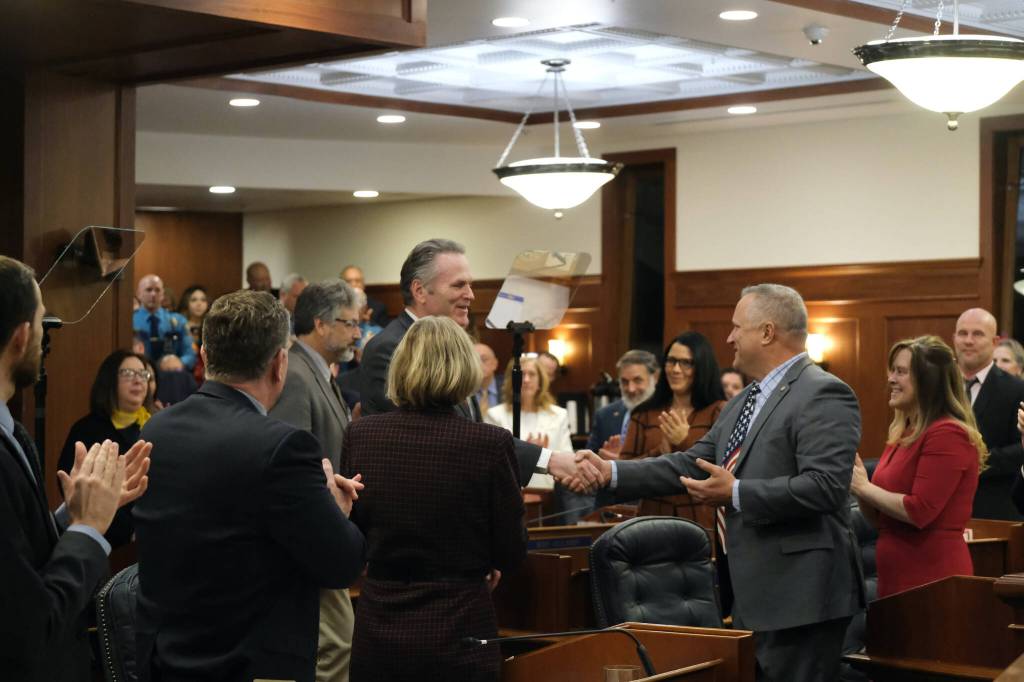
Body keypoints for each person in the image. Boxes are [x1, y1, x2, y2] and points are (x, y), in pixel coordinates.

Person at [578, 283, 865, 682]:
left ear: (767, 332)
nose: (729, 338)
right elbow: (691, 463)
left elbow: (825, 487)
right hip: (753, 592)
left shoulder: (824, 392)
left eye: (736, 327)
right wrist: (610, 472)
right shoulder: (746, 399)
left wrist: (736, 492)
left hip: (803, 597)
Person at [132, 290, 366, 682]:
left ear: (205, 356)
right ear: (279, 363)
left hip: (166, 662)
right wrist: (334, 511)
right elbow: (342, 564)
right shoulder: (283, 447)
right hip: (251, 667)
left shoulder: (157, 429)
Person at [342, 316, 526, 682]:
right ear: (466, 369)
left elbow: (354, 530)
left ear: (401, 367)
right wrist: (485, 562)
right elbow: (511, 551)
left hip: (380, 627)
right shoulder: (489, 443)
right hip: (460, 627)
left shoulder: (361, 435)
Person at [0, 255, 150, 682]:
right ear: (22, 336)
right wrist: (87, 528)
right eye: (43, 322)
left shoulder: (12, 431)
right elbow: (31, 628)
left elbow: (16, 554)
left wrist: (73, 516)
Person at [355, 238, 596, 487]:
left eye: (470, 285)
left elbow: (470, 429)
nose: (470, 295)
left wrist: (549, 461)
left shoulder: (450, 346)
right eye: (459, 285)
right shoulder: (392, 347)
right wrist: (549, 460)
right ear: (420, 291)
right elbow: (437, 434)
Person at [270, 280, 360, 682]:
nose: (357, 333)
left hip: (326, 527)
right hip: (312, 533)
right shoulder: (294, 373)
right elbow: (291, 462)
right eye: (349, 323)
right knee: (333, 646)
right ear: (320, 324)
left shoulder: (319, 372)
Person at [850, 336, 985, 598]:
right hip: (894, 574)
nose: (891, 379)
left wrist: (864, 487)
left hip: (932, 576)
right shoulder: (904, 432)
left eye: (900, 372)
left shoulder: (947, 433)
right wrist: (858, 486)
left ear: (928, 381)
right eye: (892, 370)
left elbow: (919, 511)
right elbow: (880, 518)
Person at [58, 349, 153, 548]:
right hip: (102, 537)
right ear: (109, 380)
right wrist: (127, 531)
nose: (138, 380)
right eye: (128, 373)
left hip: (152, 534)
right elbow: (74, 487)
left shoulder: (156, 425)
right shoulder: (87, 429)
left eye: (143, 374)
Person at [953, 308, 1024, 520]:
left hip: (994, 511)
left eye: (977, 334)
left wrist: (971, 462)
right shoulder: (937, 386)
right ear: (954, 338)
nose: (968, 340)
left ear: (995, 342)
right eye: (963, 333)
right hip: (940, 507)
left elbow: (1020, 449)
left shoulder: (1016, 389)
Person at [615, 331, 726, 460]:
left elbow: (723, 464)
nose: (675, 369)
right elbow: (624, 467)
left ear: (702, 366)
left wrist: (684, 442)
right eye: (671, 361)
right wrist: (659, 452)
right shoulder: (643, 413)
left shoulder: (720, 411)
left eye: (686, 363)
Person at [485, 355, 572, 489]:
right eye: (522, 374)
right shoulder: (495, 415)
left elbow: (567, 456)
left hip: (549, 491)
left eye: (532, 374)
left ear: (540, 381)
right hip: (510, 490)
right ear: (511, 381)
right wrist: (529, 453)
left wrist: (542, 454)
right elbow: (491, 461)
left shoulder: (559, 414)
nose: (526, 380)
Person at [586, 350, 659, 453]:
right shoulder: (604, 415)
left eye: (637, 380)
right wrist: (602, 458)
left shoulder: (667, 415)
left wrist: (621, 461)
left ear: (655, 378)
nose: (631, 389)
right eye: (624, 382)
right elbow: (588, 456)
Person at [132, 274, 195, 371]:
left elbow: (190, 353)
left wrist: (180, 363)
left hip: (171, 372)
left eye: (157, 290)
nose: (153, 294)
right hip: (138, 370)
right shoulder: (129, 321)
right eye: (148, 290)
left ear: (162, 294)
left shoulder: (178, 321)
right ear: (139, 294)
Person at [177, 284, 208, 384]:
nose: (199, 304)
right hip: (184, 373)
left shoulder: (211, 326)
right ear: (186, 303)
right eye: (194, 300)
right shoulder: (178, 325)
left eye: (203, 300)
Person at [474, 342, 502, 414]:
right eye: (474, 361)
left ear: (495, 363)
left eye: (484, 359)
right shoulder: (463, 392)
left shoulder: (508, 387)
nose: (479, 364)